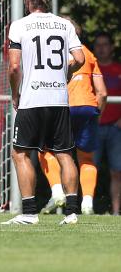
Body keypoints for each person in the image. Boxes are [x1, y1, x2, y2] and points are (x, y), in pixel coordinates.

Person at [2, 0, 84, 226]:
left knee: (20, 153)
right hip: (58, 98)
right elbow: (78, 58)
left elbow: (15, 66)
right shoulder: (64, 24)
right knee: (64, 154)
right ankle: (71, 213)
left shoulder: (20, 26)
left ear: (27, 0)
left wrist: (15, 94)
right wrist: (64, 74)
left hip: (32, 98)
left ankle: (28, 213)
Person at [39, 18, 106, 215]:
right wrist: (96, 115)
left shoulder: (52, 51)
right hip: (87, 107)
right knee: (86, 158)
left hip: (62, 107)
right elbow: (102, 92)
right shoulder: (88, 54)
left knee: (46, 150)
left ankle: (57, 191)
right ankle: (87, 203)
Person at [93, 32, 121, 215]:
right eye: (98, 45)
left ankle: (116, 211)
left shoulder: (119, 69)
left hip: (115, 128)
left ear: (111, 47)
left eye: (105, 44)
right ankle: (86, 208)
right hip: (93, 127)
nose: (102, 48)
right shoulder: (90, 68)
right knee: (88, 169)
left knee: (117, 171)